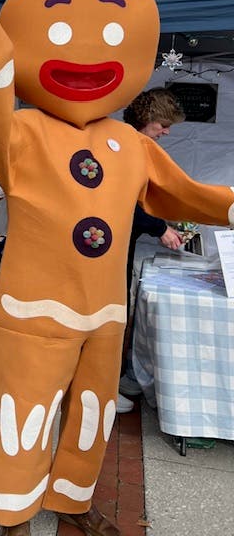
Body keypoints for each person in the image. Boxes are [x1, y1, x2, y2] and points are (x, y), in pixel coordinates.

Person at [0, 0, 234, 536]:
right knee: (21, 410)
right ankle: (12, 511)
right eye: (56, 32)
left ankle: (73, 501)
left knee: (92, 415)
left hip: (103, 311)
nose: (84, 50)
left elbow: (185, 194)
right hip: (33, 307)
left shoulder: (130, 142)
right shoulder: (23, 132)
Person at [117, 88, 186, 413]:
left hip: (119, 243)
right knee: (115, 315)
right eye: (163, 124)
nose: (167, 132)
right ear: (146, 120)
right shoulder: (125, 146)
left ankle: (111, 380)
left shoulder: (129, 142)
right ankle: (102, 388)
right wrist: (160, 229)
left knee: (119, 314)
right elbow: (121, 203)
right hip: (111, 247)